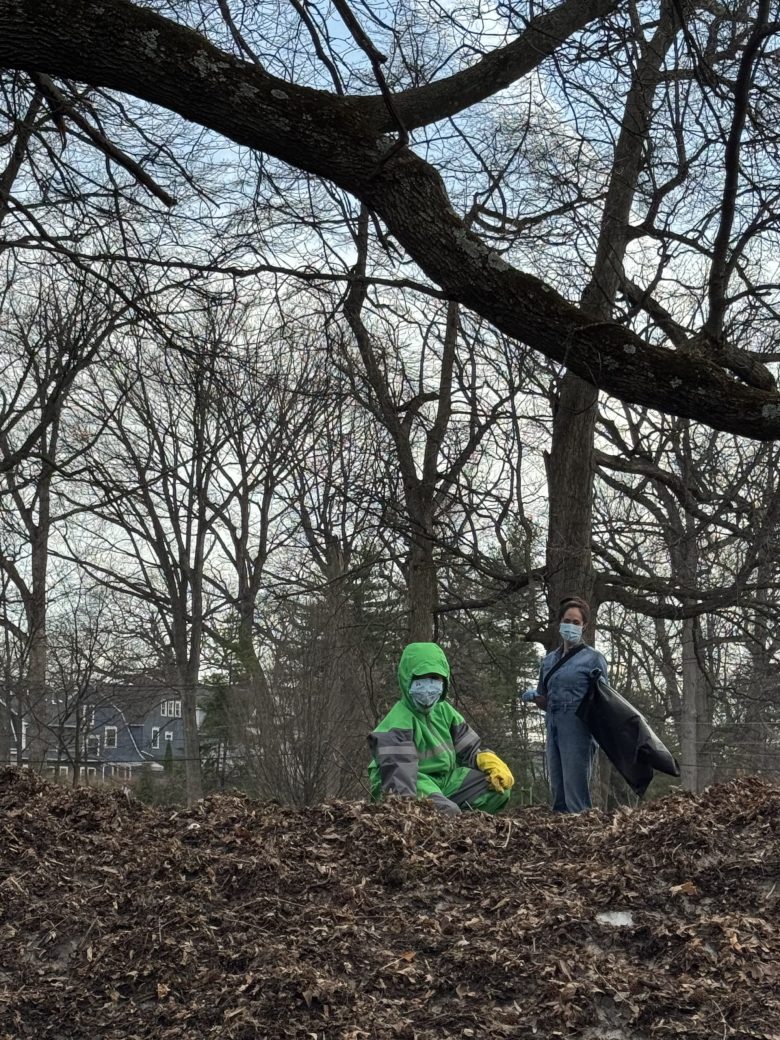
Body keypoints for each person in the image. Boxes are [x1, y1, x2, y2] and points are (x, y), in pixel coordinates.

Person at [368, 641, 513, 815]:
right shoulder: (397, 723)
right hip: (413, 781)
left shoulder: (445, 711)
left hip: (444, 781)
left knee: (498, 789)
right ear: (407, 679)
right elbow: (400, 785)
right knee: (446, 812)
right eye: (421, 678)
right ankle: (452, 824)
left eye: (435, 678)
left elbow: (470, 752)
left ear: (444, 680)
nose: (428, 685)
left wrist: (490, 762)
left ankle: (465, 825)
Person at [521, 596, 607, 813]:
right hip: (553, 725)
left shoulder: (593, 659)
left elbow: (605, 700)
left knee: (575, 786)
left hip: (579, 727)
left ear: (584, 626)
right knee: (557, 785)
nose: (571, 626)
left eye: (576, 622)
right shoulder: (549, 660)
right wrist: (535, 698)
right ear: (560, 623)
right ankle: (560, 835)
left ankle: (581, 832)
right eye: (567, 621)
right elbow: (546, 699)